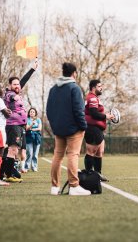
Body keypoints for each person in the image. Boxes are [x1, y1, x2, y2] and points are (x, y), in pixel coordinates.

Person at [47, 63, 90, 196]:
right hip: (74, 129)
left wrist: (54, 125)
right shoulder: (74, 88)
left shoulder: (53, 89)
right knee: (73, 155)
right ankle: (74, 186)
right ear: (74, 73)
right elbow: (79, 110)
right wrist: (83, 126)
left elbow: (49, 110)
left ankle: (55, 187)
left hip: (58, 129)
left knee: (57, 156)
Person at [3, 60, 38, 182]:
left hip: (19, 126)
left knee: (15, 150)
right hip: (13, 126)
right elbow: (10, 97)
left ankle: (9, 172)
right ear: (10, 86)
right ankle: (8, 174)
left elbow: (24, 80)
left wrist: (32, 69)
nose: (17, 86)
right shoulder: (9, 93)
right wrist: (14, 97)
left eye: (18, 84)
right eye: (14, 84)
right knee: (12, 149)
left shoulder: (17, 89)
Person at [84, 80, 114, 181]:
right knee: (91, 152)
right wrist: (106, 116)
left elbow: (96, 112)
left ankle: (98, 175)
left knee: (99, 152)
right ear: (93, 87)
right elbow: (93, 113)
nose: (101, 88)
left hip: (97, 129)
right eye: (99, 86)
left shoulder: (94, 98)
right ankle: (88, 175)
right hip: (92, 128)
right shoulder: (92, 97)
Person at [25, 108, 42, 172]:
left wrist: (32, 129)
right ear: (29, 113)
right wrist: (32, 124)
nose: (32, 113)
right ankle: (26, 167)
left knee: (35, 154)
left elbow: (40, 128)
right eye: (31, 112)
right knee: (29, 153)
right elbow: (26, 129)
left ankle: (34, 167)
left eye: (33, 112)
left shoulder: (38, 120)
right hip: (29, 137)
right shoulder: (27, 119)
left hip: (37, 137)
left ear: (35, 113)